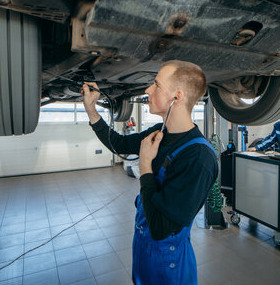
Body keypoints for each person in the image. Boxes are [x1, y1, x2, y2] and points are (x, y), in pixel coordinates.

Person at [81, 60, 218, 285]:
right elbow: (120, 144)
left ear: (177, 96)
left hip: (168, 263)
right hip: (144, 252)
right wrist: (91, 110)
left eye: (156, 85)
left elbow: (160, 228)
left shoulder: (198, 158)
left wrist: (145, 167)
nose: (147, 90)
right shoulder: (160, 132)